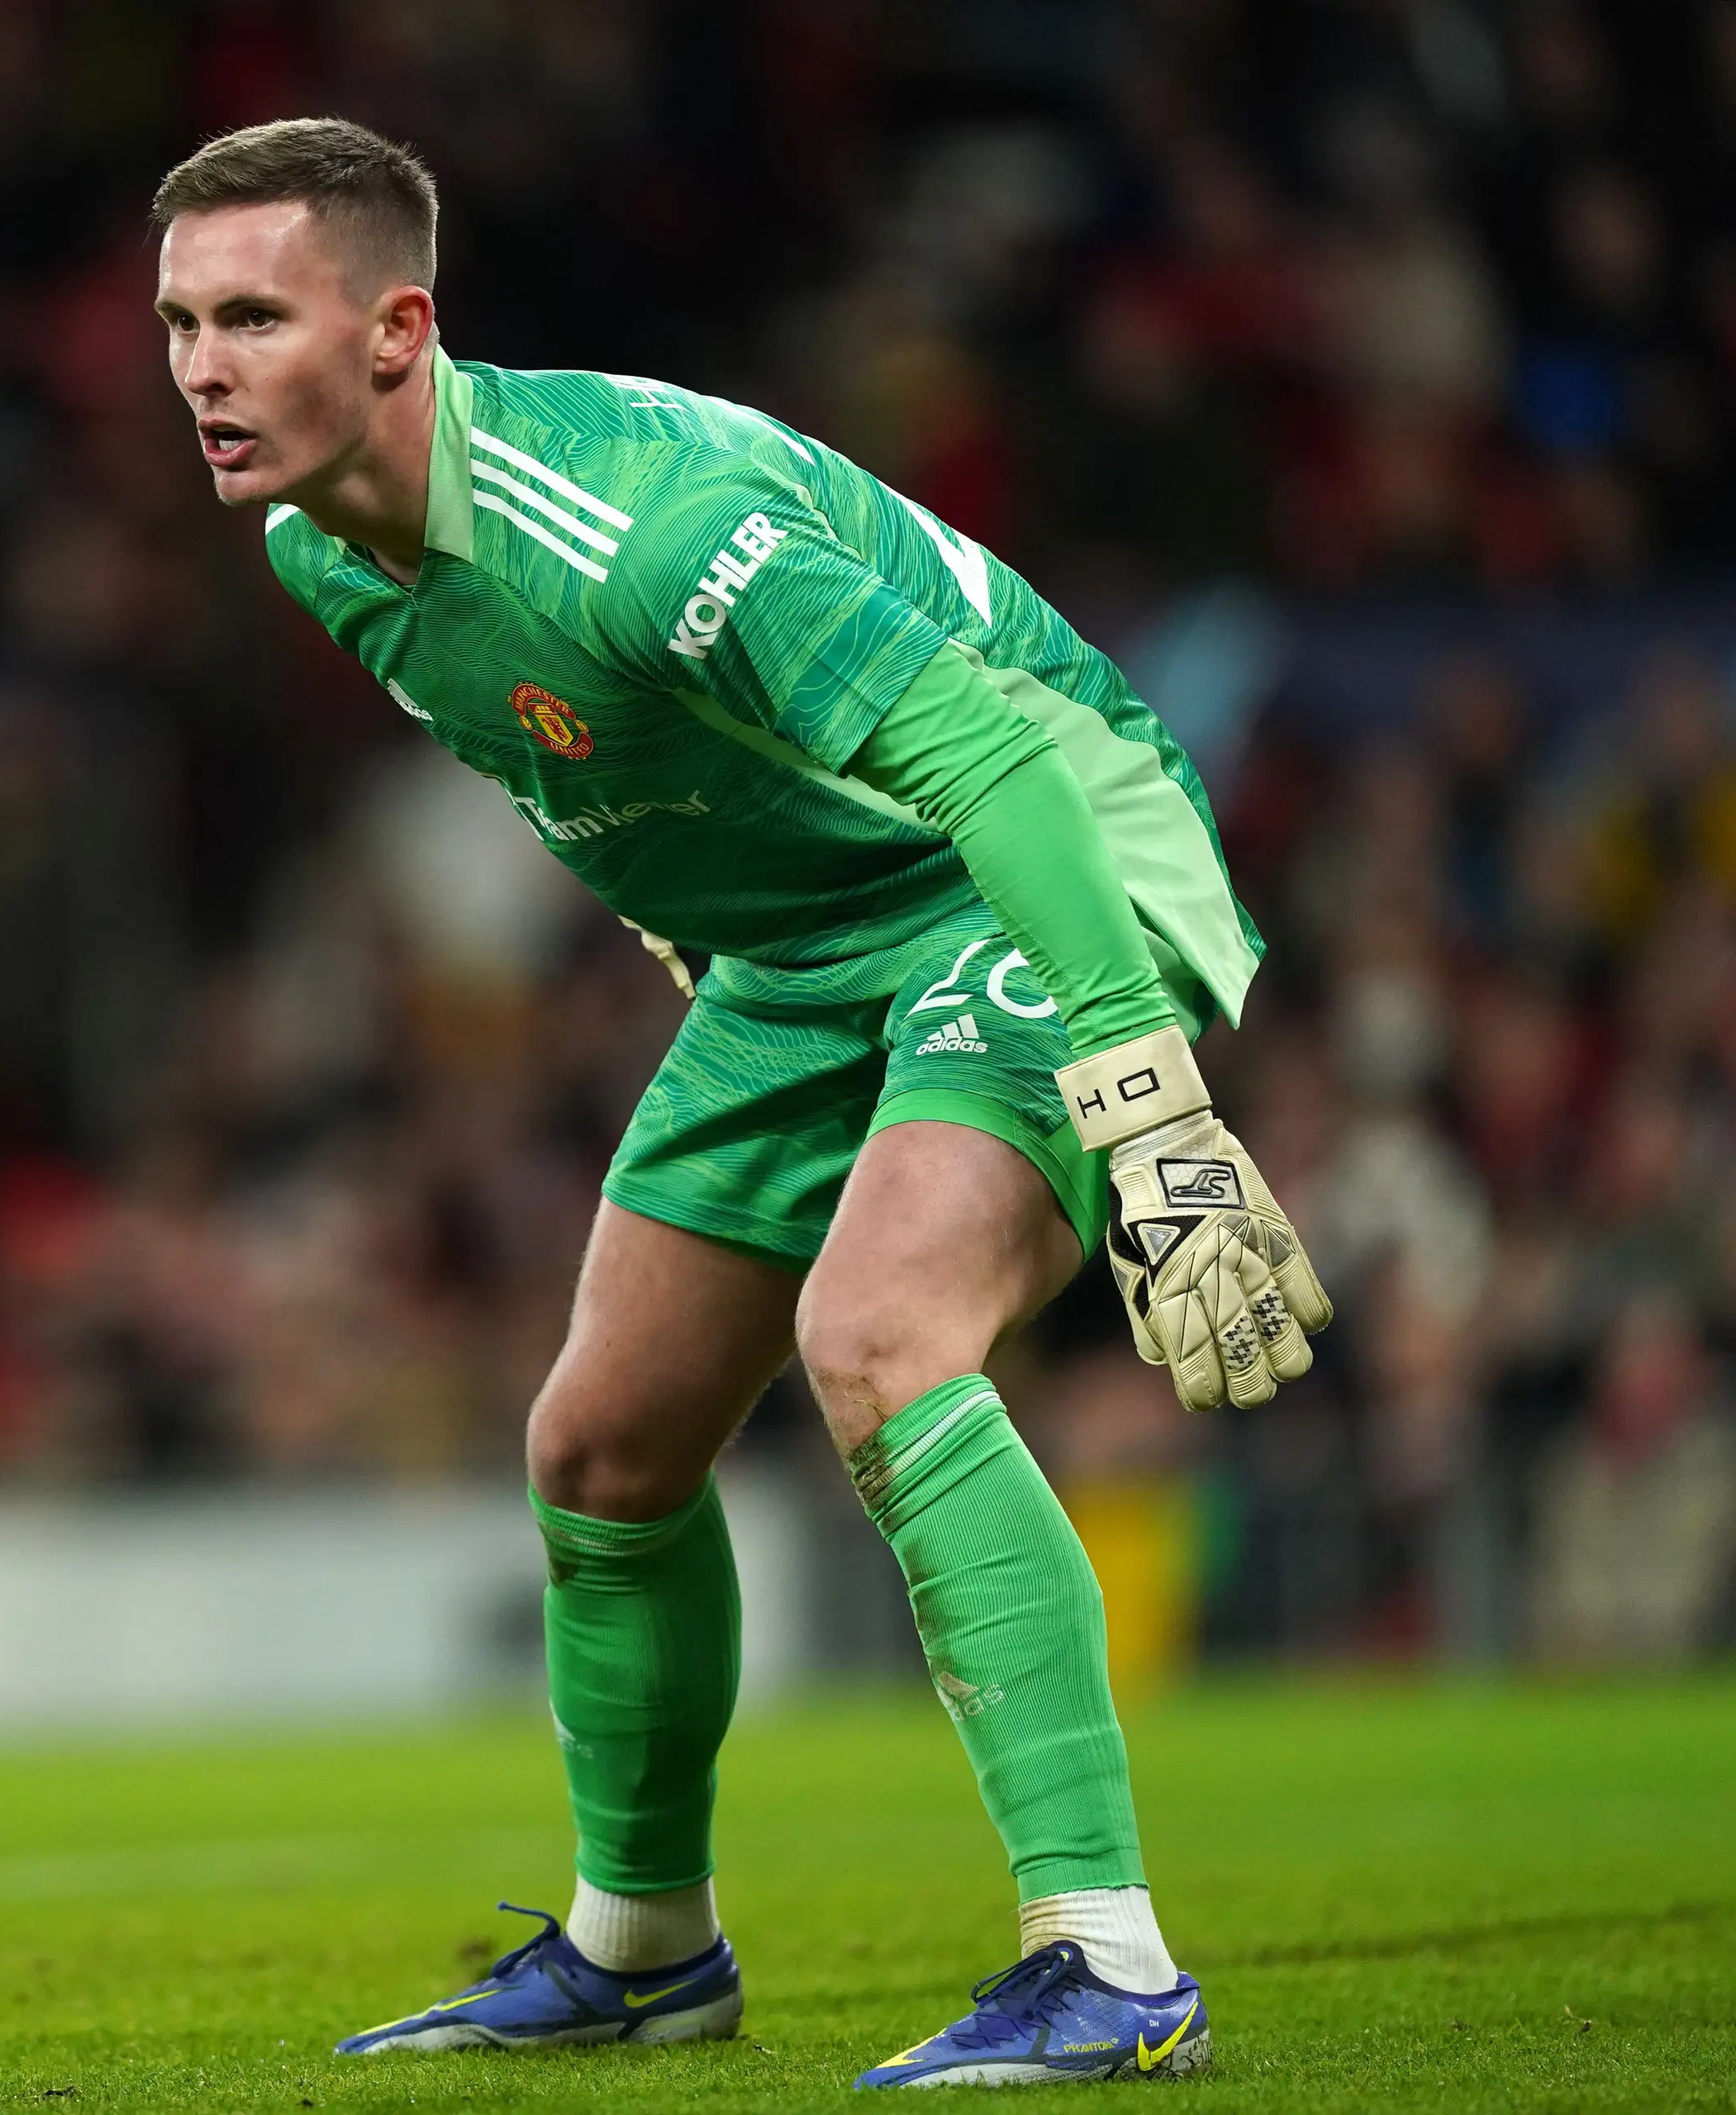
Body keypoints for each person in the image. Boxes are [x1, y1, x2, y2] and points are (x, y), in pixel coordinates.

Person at [149, 120, 1329, 2089]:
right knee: (601, 1443)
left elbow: (991, 761)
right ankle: (646, 1946)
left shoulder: (641, 523)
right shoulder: (317, 554)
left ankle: (1109, 1960)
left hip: (1029, 863)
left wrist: (1143, 1099)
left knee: (875, 1332)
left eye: (252, 313)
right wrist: (710, 953)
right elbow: (583, 762)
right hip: (797, 944)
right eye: (179, 319)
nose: (199, 363)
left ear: (396, 330)